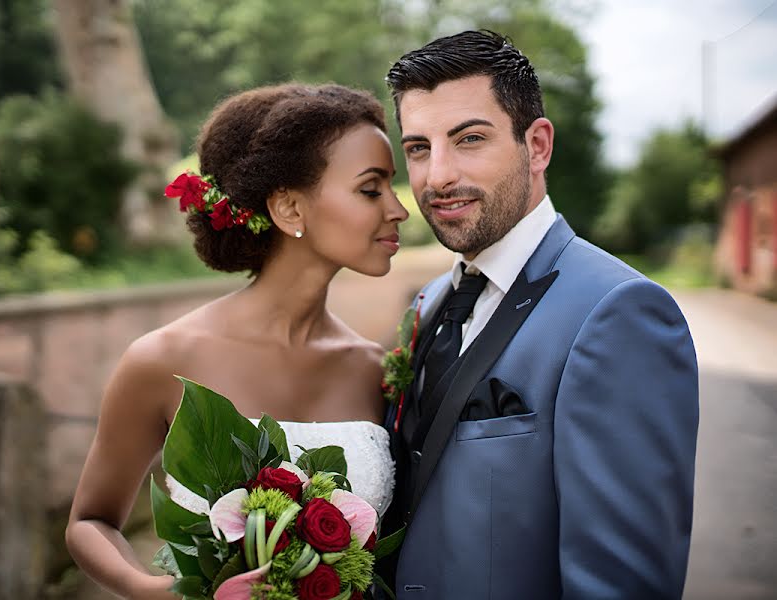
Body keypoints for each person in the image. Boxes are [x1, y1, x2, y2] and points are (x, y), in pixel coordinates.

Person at [380, 30, 699, 598]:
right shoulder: (428, 302)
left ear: (539, 145)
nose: (438, 176)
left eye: (469, 139)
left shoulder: (619, 313)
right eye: (419, 148)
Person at [66, 83, 408, 599]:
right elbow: (89, 521)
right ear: (290, 209)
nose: (397, 210)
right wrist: (151, 591)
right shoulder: (163, 360)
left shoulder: (375, 370)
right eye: (370, 188)